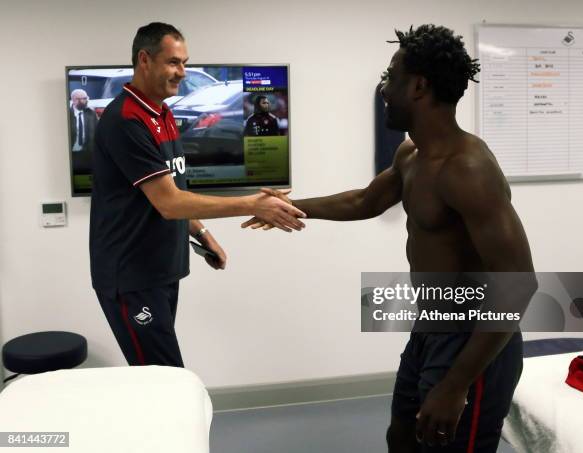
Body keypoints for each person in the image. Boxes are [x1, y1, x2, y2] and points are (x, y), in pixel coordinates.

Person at [243, 25, 537, 452]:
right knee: (402, 439)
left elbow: (519, 284)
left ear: (419, 86)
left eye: (392, 75)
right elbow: (365, 200)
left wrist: (457, 385)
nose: (384, 87)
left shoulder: (467, 168)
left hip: (473, 343)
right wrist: (283, 207)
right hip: (431, 326)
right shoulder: (411, 153)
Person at [90, 22, 305, 368]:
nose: (183, 73)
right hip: (131, 277)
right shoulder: (126, 119)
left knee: (160, 376)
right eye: (174, 62)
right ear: (144, 60)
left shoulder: (164, 112)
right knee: (162, 380)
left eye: (185, 62)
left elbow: (176, 190)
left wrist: (203, 234)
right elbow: (169, 203)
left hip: (161, 270)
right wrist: (252, 203)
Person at [69, 89, 98, 153]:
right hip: (72, 152)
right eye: (80, 99)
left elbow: (98, 131)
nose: (84, 101)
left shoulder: (91, 113)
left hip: (89, 151)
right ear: (74, 100)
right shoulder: (67, 115)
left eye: (85, 98)